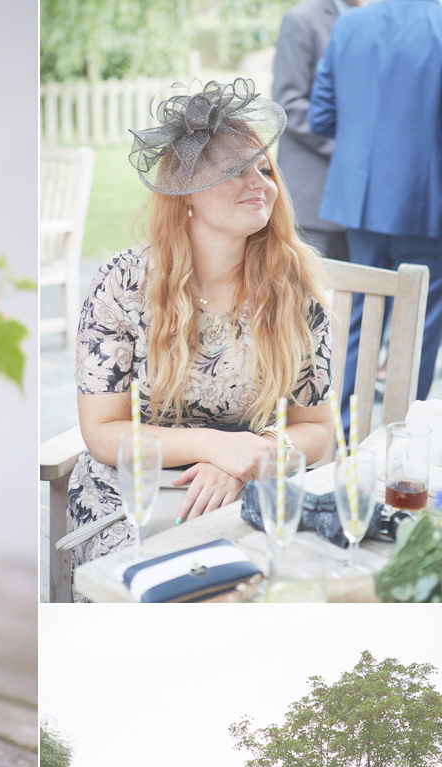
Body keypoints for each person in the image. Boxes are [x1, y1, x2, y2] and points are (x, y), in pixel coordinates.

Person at [67, 78, 333, 575]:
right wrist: (214, 445)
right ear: (185, 193)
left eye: (264, 168)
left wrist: (251, 460)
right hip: (128, 499)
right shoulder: (122, 284)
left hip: (244, 495)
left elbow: (315, 428)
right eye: (234, 171)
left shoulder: (294, 290)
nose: (259, 182)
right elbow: (101, 432)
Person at [308, 0, 442, 428]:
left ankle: (337, 433)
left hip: (361, 197)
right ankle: (401, 440)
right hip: (426, 196)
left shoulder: (349, 25)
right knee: (419, 320)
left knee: (353, 313)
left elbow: (322, 116)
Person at [272, 0, 362, 259]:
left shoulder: (375, 20)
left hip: (362, 207)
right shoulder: (300, 20)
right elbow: (289, 103)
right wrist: (350, 149)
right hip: (315, 198)